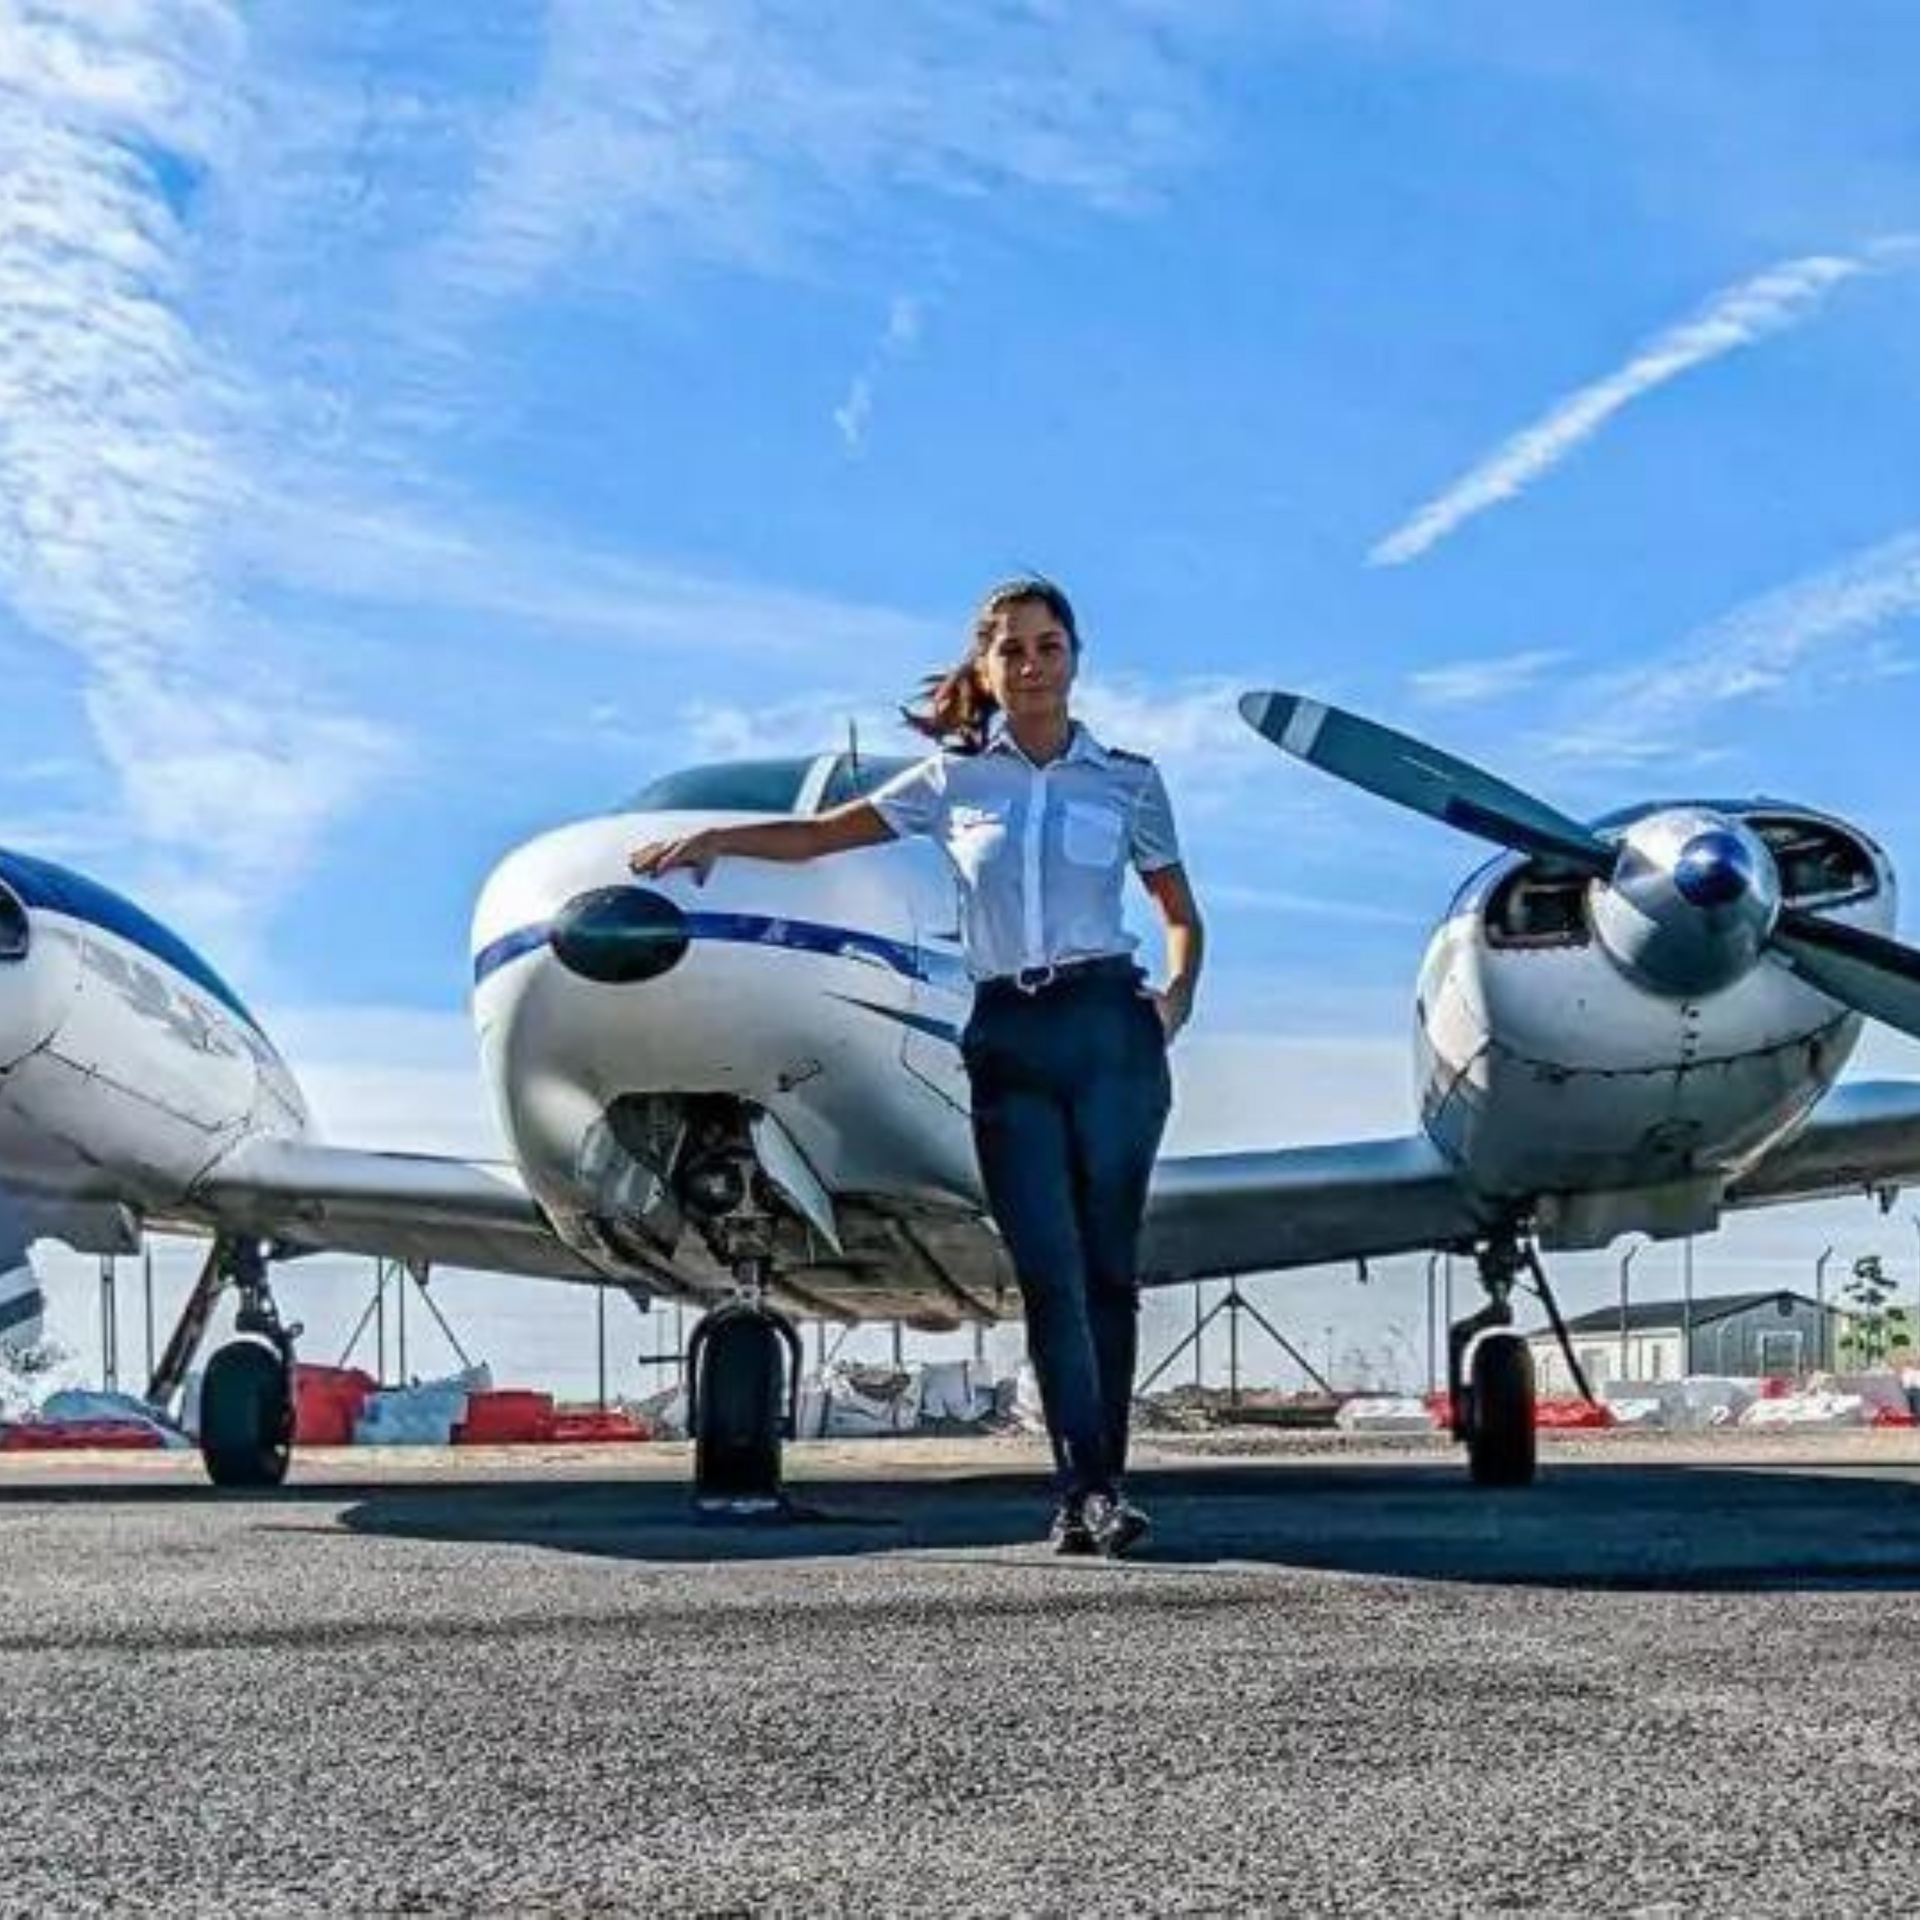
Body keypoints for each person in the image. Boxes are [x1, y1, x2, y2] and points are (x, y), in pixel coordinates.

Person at [628, 577, 1204, 1556]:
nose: (1030, 665)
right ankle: (1083, 1489)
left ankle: (1099, 1487)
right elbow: (820, 837)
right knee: (1049, 1271)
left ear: (1075, 658)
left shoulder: (1129, 781)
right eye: (1012, 649)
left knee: (1110, 1272)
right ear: (986, 668)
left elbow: (1179, 912)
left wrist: (1173, 1003)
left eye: (1048, 646)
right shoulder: (952, 782)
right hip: (1007, 1035)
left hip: (1110, 1031)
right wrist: (715, 837)